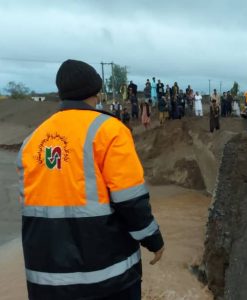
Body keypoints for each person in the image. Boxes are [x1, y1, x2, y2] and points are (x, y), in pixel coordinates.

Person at [17, 59, 164, 300]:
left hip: (45, 280)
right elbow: (130, 200)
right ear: (96, 92)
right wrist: (154, 240)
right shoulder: (109, 130)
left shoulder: (32, 140)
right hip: (106, 279)